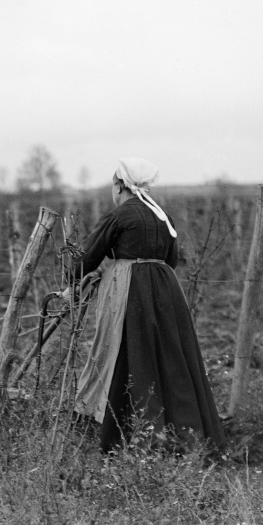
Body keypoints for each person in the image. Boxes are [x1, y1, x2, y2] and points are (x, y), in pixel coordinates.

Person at [70, 158, 226, 453]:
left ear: (119, 185)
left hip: (131, 290)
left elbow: (87, 257)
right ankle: (183, 434)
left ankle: (127, 436)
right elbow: (173, 260)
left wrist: (72, 279)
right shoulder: (161, 215)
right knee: (169, 359)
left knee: (128, 355)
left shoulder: (118, 216)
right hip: (166, 291)